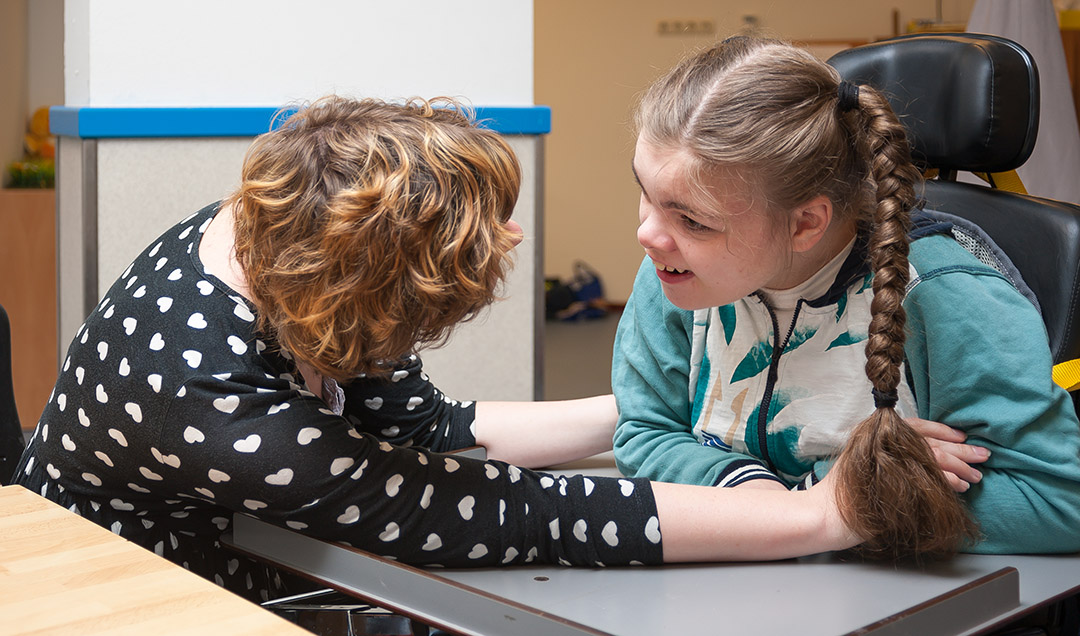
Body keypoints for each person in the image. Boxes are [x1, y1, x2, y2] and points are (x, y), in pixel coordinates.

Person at [14, 95, 858, 604]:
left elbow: (430, 431)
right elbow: (515, 512)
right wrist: (816, 515)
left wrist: (691, 410)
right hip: (133, 603)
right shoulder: (221, 406)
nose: (516, 233)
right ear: (370, 293)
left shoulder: (277, 233)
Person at [612, 36, 1080, 559]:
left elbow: (1062, 501)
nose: (649, 235)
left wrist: (856, 498)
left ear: (805, 223)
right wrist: (775, 504)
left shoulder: (944, 296)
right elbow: (645, 431)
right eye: (645, 194)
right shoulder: (675, 271)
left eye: (692, 220)